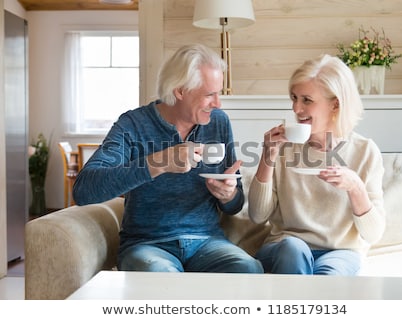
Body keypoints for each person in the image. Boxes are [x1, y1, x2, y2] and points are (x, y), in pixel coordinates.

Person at [73, 44, 263, 274]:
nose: (218, 103)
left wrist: (229, 195)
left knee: (249, 269)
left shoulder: (218, 122)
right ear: (180, 90)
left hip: (207, 241)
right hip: (147, 245)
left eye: (218, 93)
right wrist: (158, 163)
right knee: (161, 277)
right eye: (209, 94)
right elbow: (84, 190)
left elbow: (235, 205)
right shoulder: (132, 125)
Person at [248, 54, 385, 275]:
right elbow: (258, 215)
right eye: (294, 98)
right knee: (293, 249)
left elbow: (373, 234)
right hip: (286, 245)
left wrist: (355, 187)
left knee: (330, 274)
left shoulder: (365, 151)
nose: (296, 108)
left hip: (340, 251)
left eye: (306, 100)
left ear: (335, 105)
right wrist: (267, 157)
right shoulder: (283, 146)